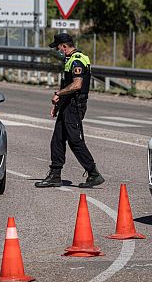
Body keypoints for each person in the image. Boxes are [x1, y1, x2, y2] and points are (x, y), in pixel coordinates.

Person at [35, 33, 105, 189]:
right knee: (58, 139)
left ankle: (93, 173)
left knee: (75, 141)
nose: (58, 51)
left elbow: (77, 85)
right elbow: (68, 85)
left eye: (59, 47)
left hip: (74, 106)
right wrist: (58, 106)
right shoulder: (70, 60)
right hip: (67, 105)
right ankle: (55, 175)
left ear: (65, 46)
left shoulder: (77, 60)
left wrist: (58, 94)